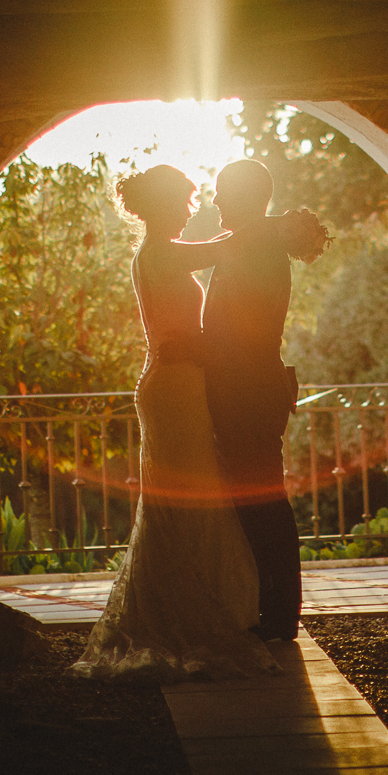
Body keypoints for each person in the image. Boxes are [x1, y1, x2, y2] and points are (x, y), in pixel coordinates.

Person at [70, 165, 278, 680]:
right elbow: (222, 248)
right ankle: (185, 610)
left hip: (176, 382)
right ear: (165, 204)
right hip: (172, 385)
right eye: (186, 200)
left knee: (184, 494)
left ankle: (189, 601)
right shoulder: (161, 251)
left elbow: (218, 245)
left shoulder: (159, 251)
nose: (193, 208)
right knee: (187, 495)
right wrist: (279, 225)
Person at [203, 159, 328, 642]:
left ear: (245, 198)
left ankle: (278, 615)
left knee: (264, 501)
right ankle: (270, 609)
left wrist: (187, 348)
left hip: (248, 391)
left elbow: (237, 333)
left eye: (221, 193)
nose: (214, 202)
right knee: (258, 500)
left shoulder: (256, 250)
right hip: (249, 388)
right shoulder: (252, 244)